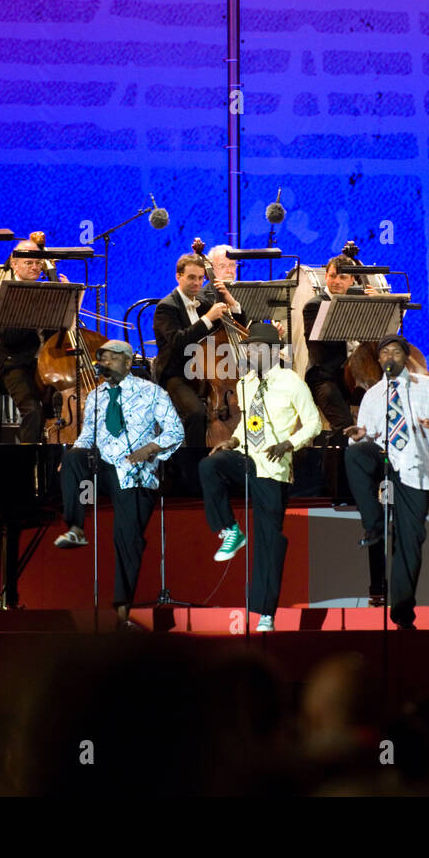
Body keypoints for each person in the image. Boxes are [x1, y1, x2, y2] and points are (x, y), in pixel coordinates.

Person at [53, 340, 184, 629]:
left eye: (111, 359)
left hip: (134, 471)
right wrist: (74, 454)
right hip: (102, 468)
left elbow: (176, 432)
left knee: (127, 540)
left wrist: (148, 450)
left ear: (127, 362)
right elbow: (88, 435)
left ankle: (123, 609)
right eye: (101, 360)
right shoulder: (97, 396)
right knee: (73, 459)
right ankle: (76, 528)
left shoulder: (151, 393)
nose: (104, 364)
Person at [199, 324, 321, 633]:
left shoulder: (291, 382)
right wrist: (233, 441)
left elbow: (313, 424)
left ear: (273, 351)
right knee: (210, 465)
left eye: (256, 348)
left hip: (273, 467)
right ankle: (229, 530)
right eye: (249, 348)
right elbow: (248, 423)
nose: (250, 353)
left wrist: (288, 444)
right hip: (246, 460)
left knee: (268, 543)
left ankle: (265, 613)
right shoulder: (245, 383)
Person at [343, 335, 429, 628]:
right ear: (379, 360)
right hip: (385, 460)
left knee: (410, 542)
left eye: (396, 352)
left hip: (415, 468)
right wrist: (359, 434)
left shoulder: (428, 387)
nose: (389, 357)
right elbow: (365, 432)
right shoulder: (373, 394)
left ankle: (403, 614)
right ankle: (373, 524)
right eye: (384, 353)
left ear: (405, 358)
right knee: (355, 454)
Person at [0, 233, 67, 444]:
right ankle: (27, 461)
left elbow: (60, 329)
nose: (35, 267)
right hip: (13, 363)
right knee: (33, 412)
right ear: (14, 264)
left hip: (43, 363)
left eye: (39, 263)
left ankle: (55, 455)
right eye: (28, 263)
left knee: (57, 409)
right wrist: (36, 307)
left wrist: (63, 295)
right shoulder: (2, 293)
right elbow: (11, 338)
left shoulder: (47, 291)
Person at [152, 253, 233, 448]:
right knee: (196, 413)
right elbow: (178, 341)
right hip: (176, 375)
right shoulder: (166, 307)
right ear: (178, 276)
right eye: (191, 277)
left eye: (200, 278)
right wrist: (207, 319)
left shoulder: (203, 304)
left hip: (205, 372)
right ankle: (193, 468)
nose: (197, 283)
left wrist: (230, 301)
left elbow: (234, 327)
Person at [302, 254, 376, 444]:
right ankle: (334, 470)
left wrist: (377, 306)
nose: (337, 281)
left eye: (343, 277)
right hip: (325, 377)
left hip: (354, 377)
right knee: (344, 426)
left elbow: (377, 337)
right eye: (333, 276)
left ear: (352, 280)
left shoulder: (357, 303)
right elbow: (322, 344)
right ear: (326, 276)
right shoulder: (314, 306)